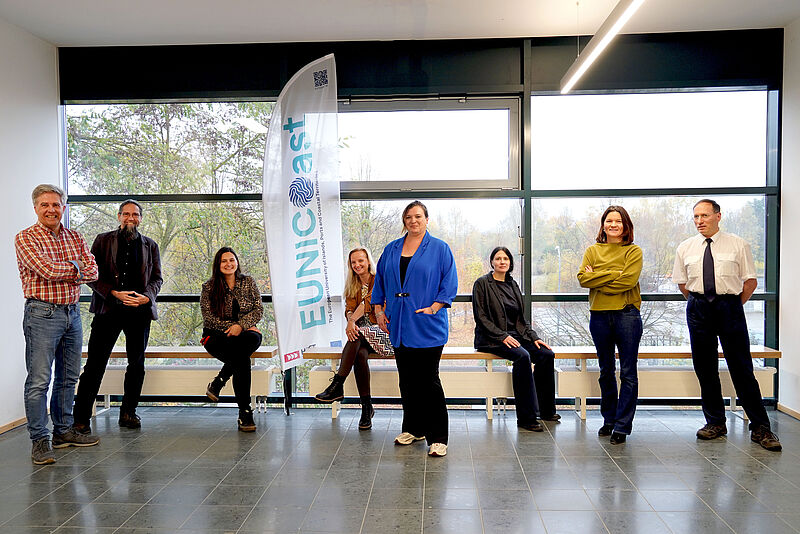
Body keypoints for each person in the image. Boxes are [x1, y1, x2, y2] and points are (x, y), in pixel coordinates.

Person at [673, 199, 781, 451]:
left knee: (742, 367)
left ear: (718, 216)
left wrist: (731, 304)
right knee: (705, 367)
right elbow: (682, 284)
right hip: (698, 307)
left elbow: (750, 282)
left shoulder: (738, 244)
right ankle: (715, 422)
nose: (699, 221)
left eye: (704, 215)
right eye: (696, 216)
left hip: (730, 307)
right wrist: (702, 303)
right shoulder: (685, 247)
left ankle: (761, 427)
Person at [15, 184, 100, 465]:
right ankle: (40, 440)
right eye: (45, 205)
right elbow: (47, 270)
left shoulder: (75, 236)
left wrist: (70, 267)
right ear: (36, 208)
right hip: (42, 314)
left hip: (72, 314)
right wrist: (76, 266)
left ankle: (63, 431)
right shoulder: (26, 237)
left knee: (68, 377)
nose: (51, 210)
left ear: (63, 207)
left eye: (56, 204)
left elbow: (93, 271)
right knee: (39, 380)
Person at [372, 201, 458, 457]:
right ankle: (414, 428)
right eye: (408, 217)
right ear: (404, 221)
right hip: (398, 323)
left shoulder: (440, 248)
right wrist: (379, 311)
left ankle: (438, 437)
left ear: (426, 219)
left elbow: (449, 282)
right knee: (407, 380)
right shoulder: (391, 249)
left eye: (418, 216)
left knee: (429, 381)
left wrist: (434, 307)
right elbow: (380, 282)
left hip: (427, 324)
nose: (413, 220)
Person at [73, 200, 162, 431]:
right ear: (119, 216)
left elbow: (157, 279)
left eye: (135, 214)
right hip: (108, 310)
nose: (130, 218)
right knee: (95, 364)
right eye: (126, 214)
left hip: (139, 312)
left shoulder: (150, 245)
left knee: (136, 365)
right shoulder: (102, 241)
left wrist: (146, 297)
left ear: (140, 218)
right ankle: (80, 419)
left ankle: (128, 413)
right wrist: (113, 293)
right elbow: (91, 275)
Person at [472, 246, 559, 432]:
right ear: (492, 262)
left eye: (505, 259)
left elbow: (521, 319)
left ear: (510, 263)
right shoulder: (482, 284)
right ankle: (526, 418)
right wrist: (502, 336)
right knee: (522, 356)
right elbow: (481, 317)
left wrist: (534, 337)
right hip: (492, 337)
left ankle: (545, 410)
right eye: (498, 258)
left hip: (517, 335)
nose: (502, 262)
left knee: (546, 354)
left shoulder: (513, 284)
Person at [577, 205, 643, 445]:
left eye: (618, 221)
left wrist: (598, 276)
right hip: (599, 316)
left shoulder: (633, 251)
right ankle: (609, 419)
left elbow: (628, 281)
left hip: (627, 315)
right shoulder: (592, 250)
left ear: (626, 226)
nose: (613, 225)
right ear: (603, 225)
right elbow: (583, 279)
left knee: (628, 373)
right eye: (609, 221)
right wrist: (614, 273)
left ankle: (622, 426)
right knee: (606, 371)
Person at [315, 247, 390, 430]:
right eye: (353, 262)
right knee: (360, 355)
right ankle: (366, 408)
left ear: (368, 261)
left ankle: (337, 384)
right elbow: (349, 308)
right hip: (361, 336)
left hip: (384, 332)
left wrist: (351, 322)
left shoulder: (378, 279)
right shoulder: (352, 284)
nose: (357, 265)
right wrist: (351, 319)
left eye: (360, 260)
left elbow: (368, 303)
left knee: (357, 336)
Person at [201, 247, 263, 432]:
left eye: (231, 260)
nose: (228, 264)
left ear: (237, 262)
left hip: (246, 333)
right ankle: (245, 412)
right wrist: (233, 327)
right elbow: (208, 318)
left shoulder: (248, 282)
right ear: (218, 265)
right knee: (242, 359)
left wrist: (241, 326)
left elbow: (258, 309)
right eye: (224, 261)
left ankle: (219, 382)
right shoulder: (209, 287)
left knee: (245, 347)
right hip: (216, 335)